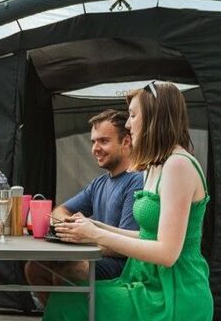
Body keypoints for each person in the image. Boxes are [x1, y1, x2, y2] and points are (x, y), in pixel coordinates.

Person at [41, 82, 214, 321]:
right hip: (146, 281)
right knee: (70, 297)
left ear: (154, 118)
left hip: (175, 293)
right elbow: (146, 235)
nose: (130, 124)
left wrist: (97, 235)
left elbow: (167, 253)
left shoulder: (180, 166)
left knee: (74, 303)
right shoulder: (157, 165)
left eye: (134, 115)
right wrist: (94, 225)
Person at [24, 110, 143, 305]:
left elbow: (127, 247)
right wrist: (70, 228)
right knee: (35, 267)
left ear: (126, 142)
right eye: (93, 142)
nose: (95, 148)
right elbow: (59, 211)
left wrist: (83, 238)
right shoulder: (99, 183)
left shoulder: (137, 181)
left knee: (71, 268)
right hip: (97, 253)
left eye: (103, 141)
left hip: (124, 266)